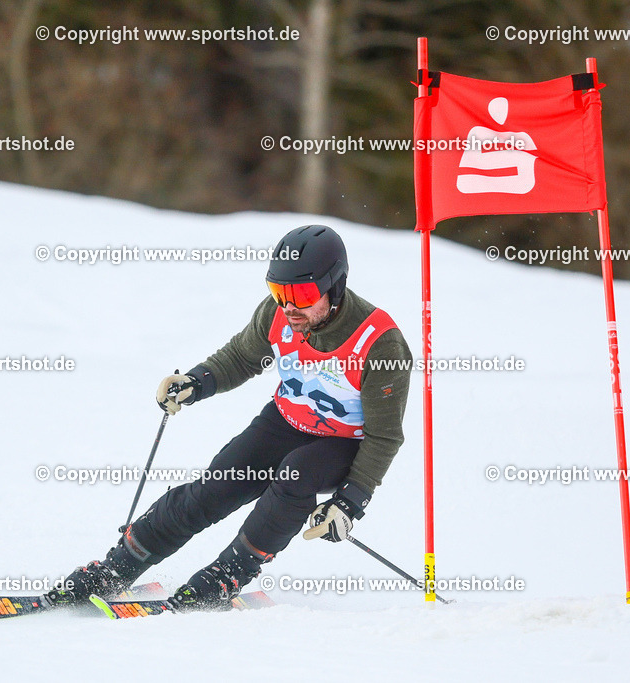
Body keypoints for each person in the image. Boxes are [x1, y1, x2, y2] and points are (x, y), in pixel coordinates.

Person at [47, 224, 412, 611]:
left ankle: (226, 576)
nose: (289, 307)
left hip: (343, 443)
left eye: (302, 295)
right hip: (285, 422)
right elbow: (241, 357)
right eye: (279, 292)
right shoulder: (278, 316)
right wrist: (195, 382)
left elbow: (384, 437)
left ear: (334, 287)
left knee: (296, 474)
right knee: (215, 486)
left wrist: (350, 501)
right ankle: (116, 568)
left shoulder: (379, 342)